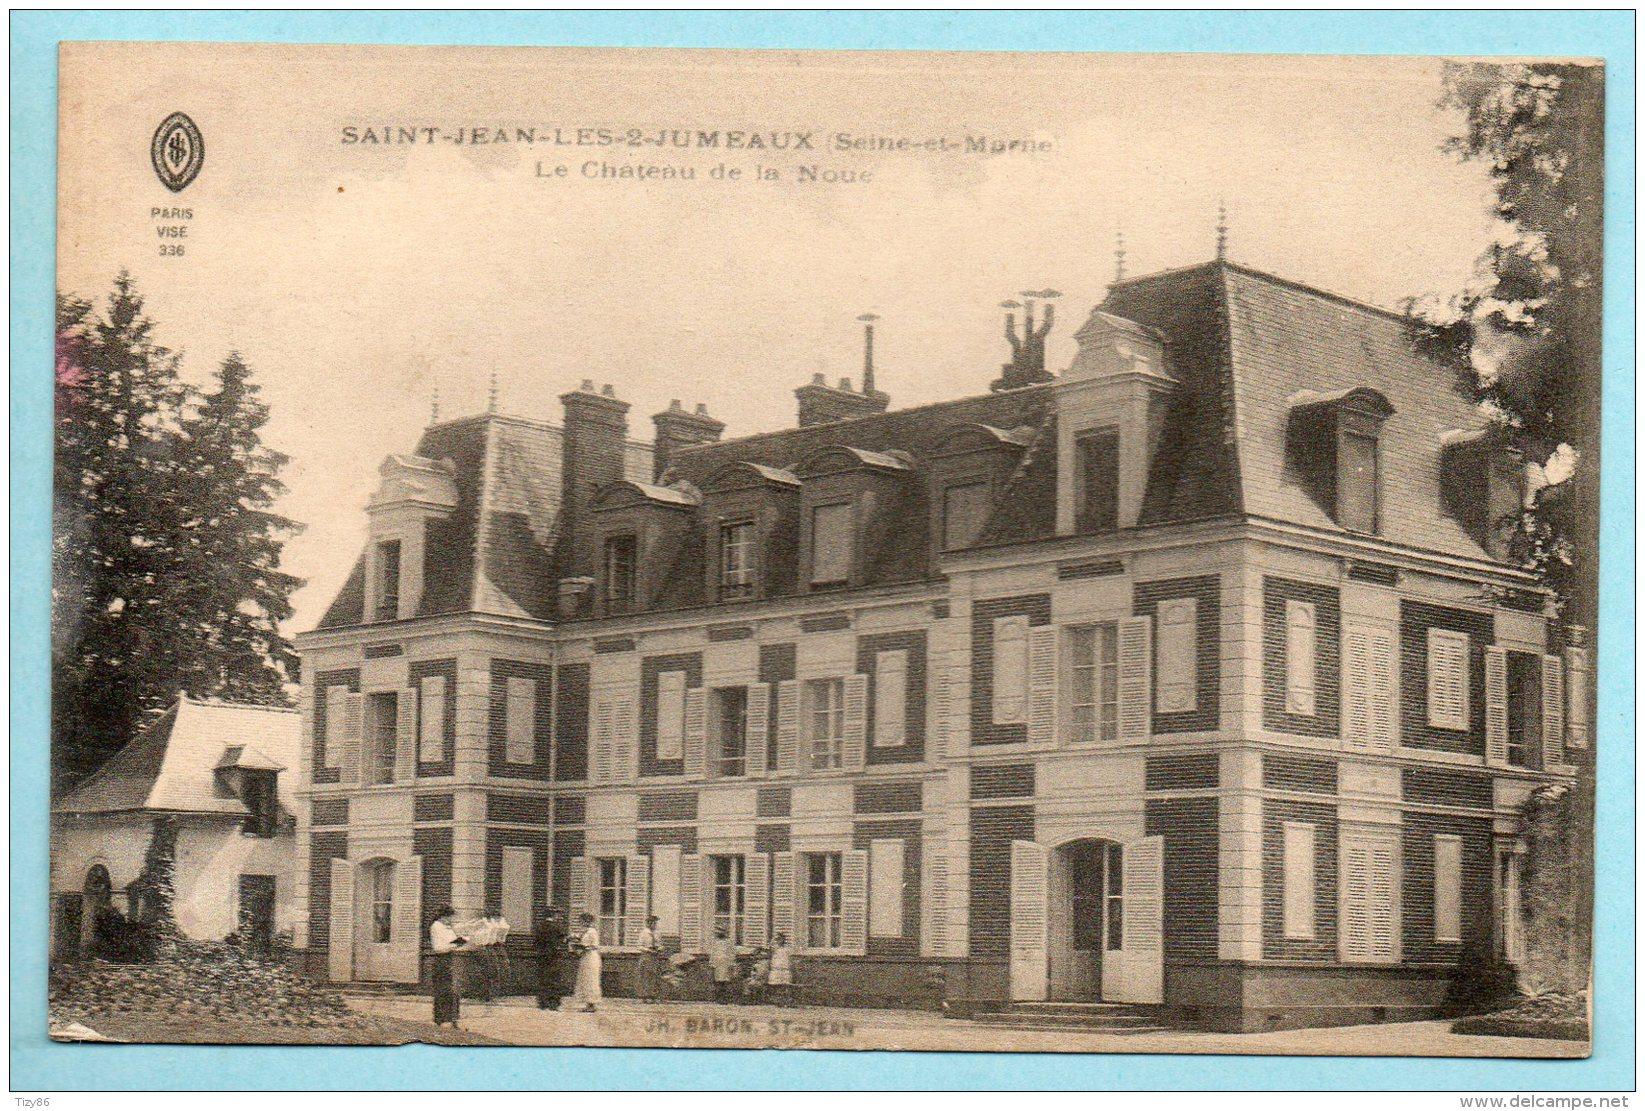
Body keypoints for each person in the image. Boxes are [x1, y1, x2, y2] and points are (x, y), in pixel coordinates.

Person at [429, 905, 470, 1028]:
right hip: (441, 960)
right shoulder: (436, 927)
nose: (451, 920)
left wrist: (461, 941)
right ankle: (440, 1019)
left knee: (453, 991)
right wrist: (454, 945)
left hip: (450, 960)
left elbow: (452, 942)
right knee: (443, 990)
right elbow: (438, 948)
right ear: (443, 916)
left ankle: (453, 1019)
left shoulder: (448, 928)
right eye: (449, 918)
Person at [533, 905, 567, 1009]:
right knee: (554, 979)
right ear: (553, 915)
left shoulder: (539, 926)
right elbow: (563, 940)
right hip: (554, 955)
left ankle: (542, 1003)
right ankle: (554, 1003)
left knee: (543, 978)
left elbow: (536, 942)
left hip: (542, 955)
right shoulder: (557, 926)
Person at [572, 912, 601, 1012]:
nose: (581, 923)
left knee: (591, 979)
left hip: (591, 957)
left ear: (587, 921)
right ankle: (588, 1004)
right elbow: (582, 942)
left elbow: (593, 945)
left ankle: (591, 1004)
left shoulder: (592, 932)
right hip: (586, 957)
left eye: (583, 921)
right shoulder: (586, 931)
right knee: (585, 979)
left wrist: (581, 947)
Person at [635, 914, 663, 1002]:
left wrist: (660, 948)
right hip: (646, 956)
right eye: (653, 923)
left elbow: (661, 944)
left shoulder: (657, 933)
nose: (655, 925)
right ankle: (644, 996)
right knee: (645, 976)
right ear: (648, 924)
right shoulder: (644, 933)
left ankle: (653, 996)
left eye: (655, 923)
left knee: (655, 976)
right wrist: (648, 950)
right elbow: (639, 946)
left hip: (655, 956)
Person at [707, 926, 737, 1003]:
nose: (719, 934)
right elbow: (713, 954)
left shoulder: (729, 943)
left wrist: (732, 964)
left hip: (726, 964)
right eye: (718, 932)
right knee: (718, 981)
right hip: (718, 964)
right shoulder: (715, 943)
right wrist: (712, 964)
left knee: (726, 981)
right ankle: (719, 998)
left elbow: (732, 954)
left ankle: (726, 998)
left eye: (721, 932)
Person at [767, 932, 794, 1007]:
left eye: (780, 939)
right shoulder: (774, 948)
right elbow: (769, 948)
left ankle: (786, 1002)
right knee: (776, 986)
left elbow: (791, 958)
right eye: (777, 939)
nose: (779, 941)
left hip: (785, 969)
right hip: (776, 969)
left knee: (785, 986)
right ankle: (778, 1002)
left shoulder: (787, 949)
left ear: (783, 940)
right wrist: (773, 940)